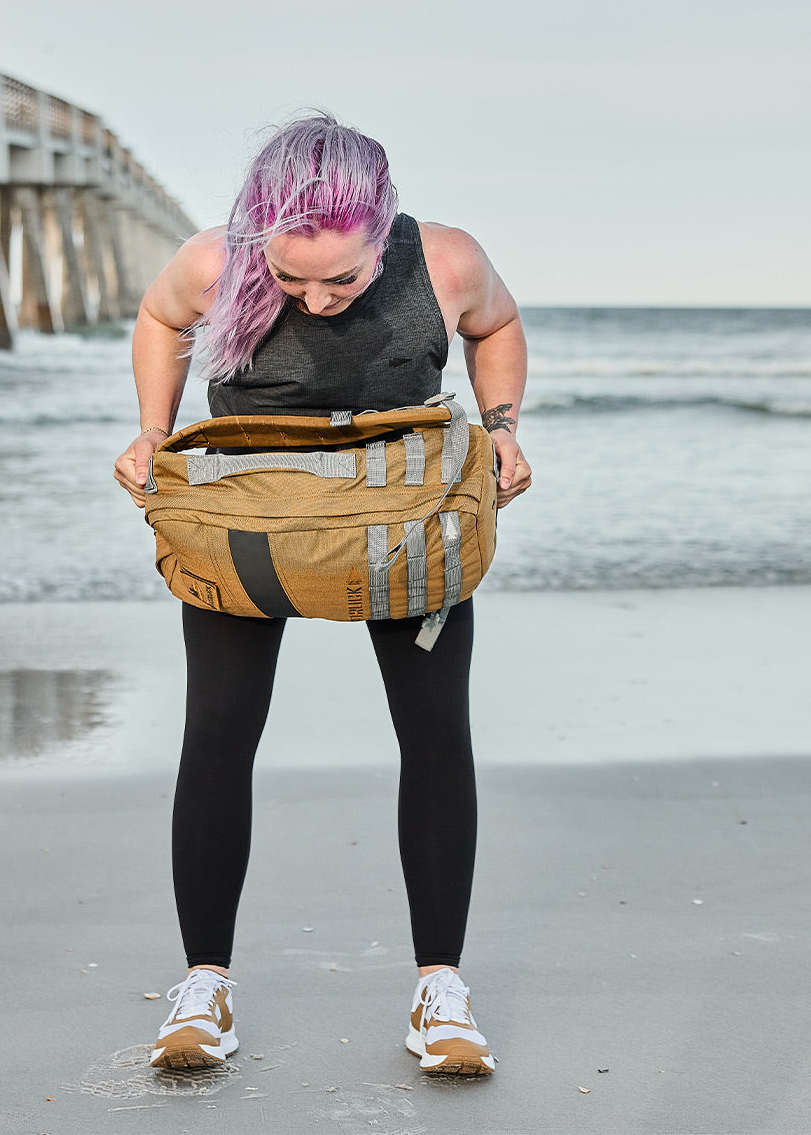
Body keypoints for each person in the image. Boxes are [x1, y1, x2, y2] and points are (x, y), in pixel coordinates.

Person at [114, 113, 531, 1076]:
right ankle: (204, 985)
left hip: (403, 516)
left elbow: (497, 325)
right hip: (248, 517)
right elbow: (161, 319)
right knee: (218, 731)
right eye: (290, 276)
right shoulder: (215, 262)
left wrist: (502, 426)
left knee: (433, 730)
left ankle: (441, 989)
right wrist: (152, 431)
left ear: (382, 233)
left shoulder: (450, 261)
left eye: (340, 278)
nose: (313, 296)